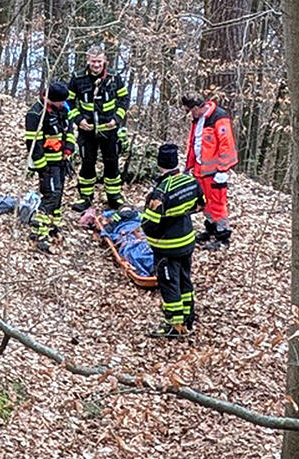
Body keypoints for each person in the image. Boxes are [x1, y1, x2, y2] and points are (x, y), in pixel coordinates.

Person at [141, 143, 204, 338]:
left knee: (169, 284)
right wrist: (180, 213)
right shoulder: (190, 181)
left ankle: (173, 325)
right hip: (187, 241)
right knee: (185, 279)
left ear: (160, 164)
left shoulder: (160, 192)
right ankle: (188, 316)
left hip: (167, 247)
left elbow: (150, 224)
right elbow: (201, 205)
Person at [67, 44, 130, 212]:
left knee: (112, 163)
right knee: (87, 163)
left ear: (105, 61)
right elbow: (68, 102)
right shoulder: (77, 78)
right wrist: (78, 120)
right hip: (86, 130)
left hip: (109, 130)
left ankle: (114, 196)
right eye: (93, 61)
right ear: (88, 60)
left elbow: (124, 100)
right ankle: (85, 197)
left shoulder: (114, 78)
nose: (96, 65)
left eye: (99, 62)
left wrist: (117, 119)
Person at [181, 92, 238, 250]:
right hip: (201, 168)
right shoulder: (198, 119)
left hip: (214, 171)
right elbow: (195, 142)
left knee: (218, 204)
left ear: (198, 107)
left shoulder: (219, 117)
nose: (191, 114)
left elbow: (226, 144)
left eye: (191, 110)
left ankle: (223, 235)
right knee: (205, 202)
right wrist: (190, 166)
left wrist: (223, 170)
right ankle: (211, 229)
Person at [24, 82, 76, 252]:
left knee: (59, 195)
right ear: (49, 99)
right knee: (51, 195)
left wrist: (69, 148)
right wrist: (41, 167)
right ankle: (38, 234)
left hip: (61, 160)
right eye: (60, 102)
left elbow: (69, 131)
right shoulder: (35, 114)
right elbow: (33, 143)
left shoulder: (63, 109)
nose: (63, 104)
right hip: (47, 163)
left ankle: (53, 227)